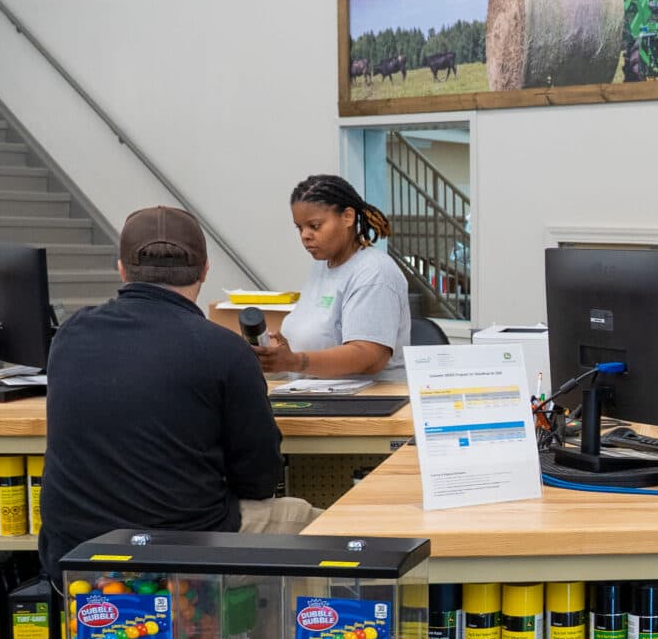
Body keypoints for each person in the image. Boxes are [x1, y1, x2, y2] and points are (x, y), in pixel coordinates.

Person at [40, 207, 318, 574]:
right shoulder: (225, 350)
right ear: (205, 270)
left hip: (76, 557)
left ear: (122, 269)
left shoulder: (70, 334)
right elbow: (260, 478)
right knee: (320, 527)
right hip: (185, 553)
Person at [260, 174, 410, 379]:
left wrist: (295, 361)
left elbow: (368, 356)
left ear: (348, 217)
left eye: (315, 226)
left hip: (367, 397)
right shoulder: (322, 266)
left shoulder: (375, 272)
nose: (305, 235)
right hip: (312, 391)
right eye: (299, 227)